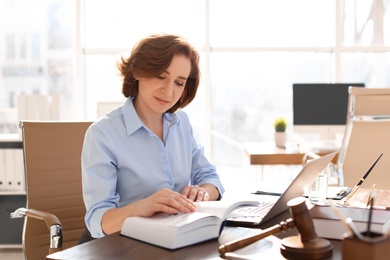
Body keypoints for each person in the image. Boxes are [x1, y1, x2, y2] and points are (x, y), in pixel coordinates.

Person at [81, 33, 225, 239]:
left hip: (176, 237)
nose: (169, 91)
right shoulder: (102, 134)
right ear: (139, 72)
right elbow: (98, 220)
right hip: (123, 244)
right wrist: (144, 206)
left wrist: (202, 193)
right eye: (161, 76)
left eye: (179, 82)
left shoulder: (181, 122)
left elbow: (210, 177)